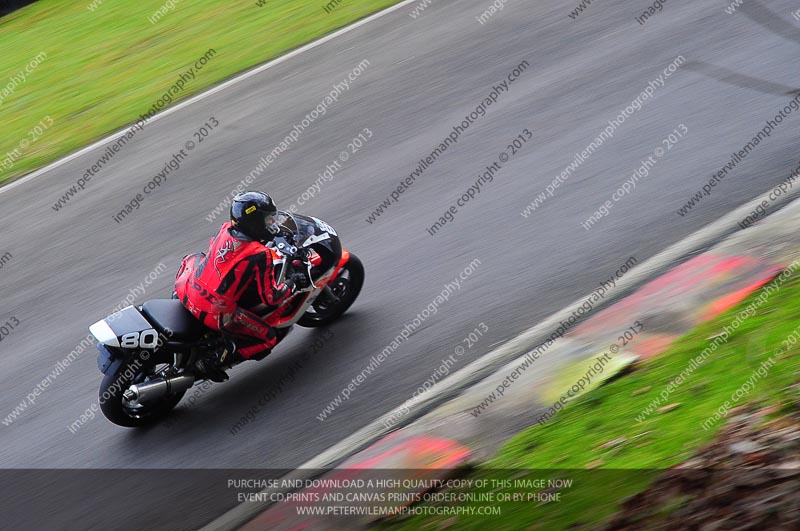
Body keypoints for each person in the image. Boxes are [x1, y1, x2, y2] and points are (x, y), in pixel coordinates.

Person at [174, 191, 308, 381]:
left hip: (186, 289)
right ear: (253, 222)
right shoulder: (260, 254)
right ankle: (216, 358)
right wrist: (293, 282)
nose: (271, 223)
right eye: (268, 219)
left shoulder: (224, 229)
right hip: (216, 313)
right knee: (268, 338)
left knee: (195, 257)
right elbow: (271, 297)